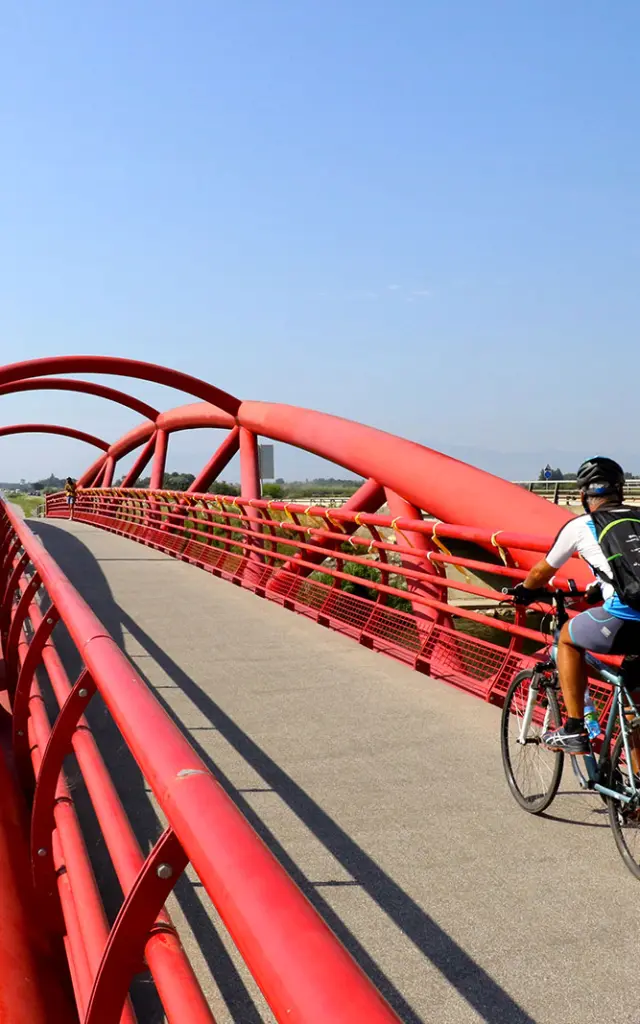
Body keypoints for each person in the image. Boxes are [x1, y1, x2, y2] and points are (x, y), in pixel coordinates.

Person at [513, 457, 640, 754]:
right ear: (620, 491)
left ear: (583, 496)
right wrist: (600, 587)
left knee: (567, 638)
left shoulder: (581, 525)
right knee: (634, 707)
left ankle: (574, 729)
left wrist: (525, 592)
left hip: (626, 619)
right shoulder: (637, 519)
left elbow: (541, 572)